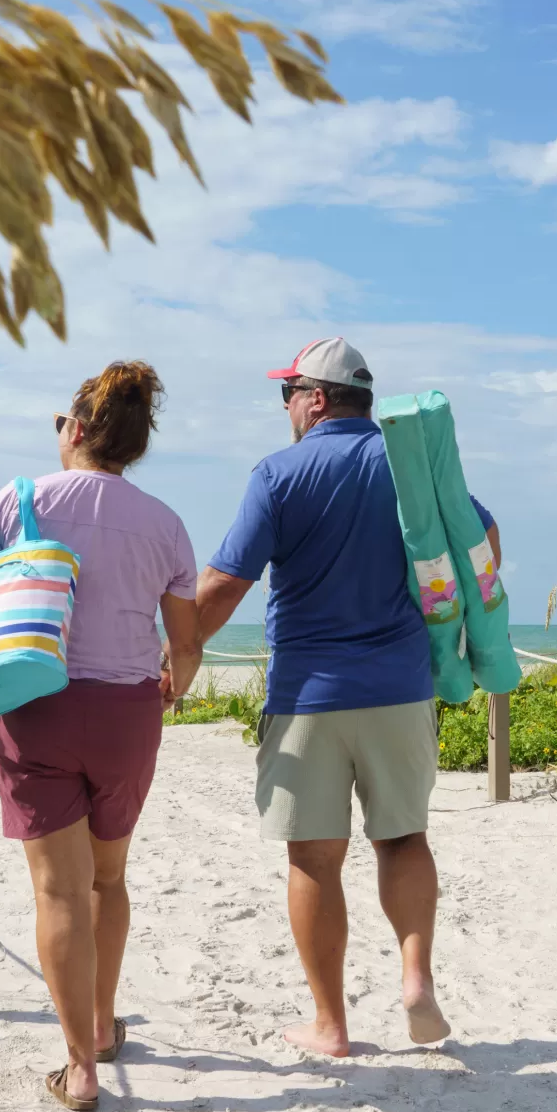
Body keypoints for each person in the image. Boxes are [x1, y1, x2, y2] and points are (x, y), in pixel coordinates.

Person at [196, 338, 500, 1058]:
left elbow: (224, 585)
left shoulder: (278, 473)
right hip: (399, 689)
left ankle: (330, 1026)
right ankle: (416, 978)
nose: (284, 409)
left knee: (312, 859)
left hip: (307, 695)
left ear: (315, 398)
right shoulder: (409, 465)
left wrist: (170, 658)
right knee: (402, 838)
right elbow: (479, 532)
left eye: (286, 395)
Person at [0, 361, 202, 1110]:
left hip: (35, 706)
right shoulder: (165, 523)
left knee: (58, 890)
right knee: (108, 879)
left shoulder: (14, 504)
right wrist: (176, 684)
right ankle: (105, 1028)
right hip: (127, 714)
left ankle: (79, 1067)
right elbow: (186, 643)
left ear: (76, 430)